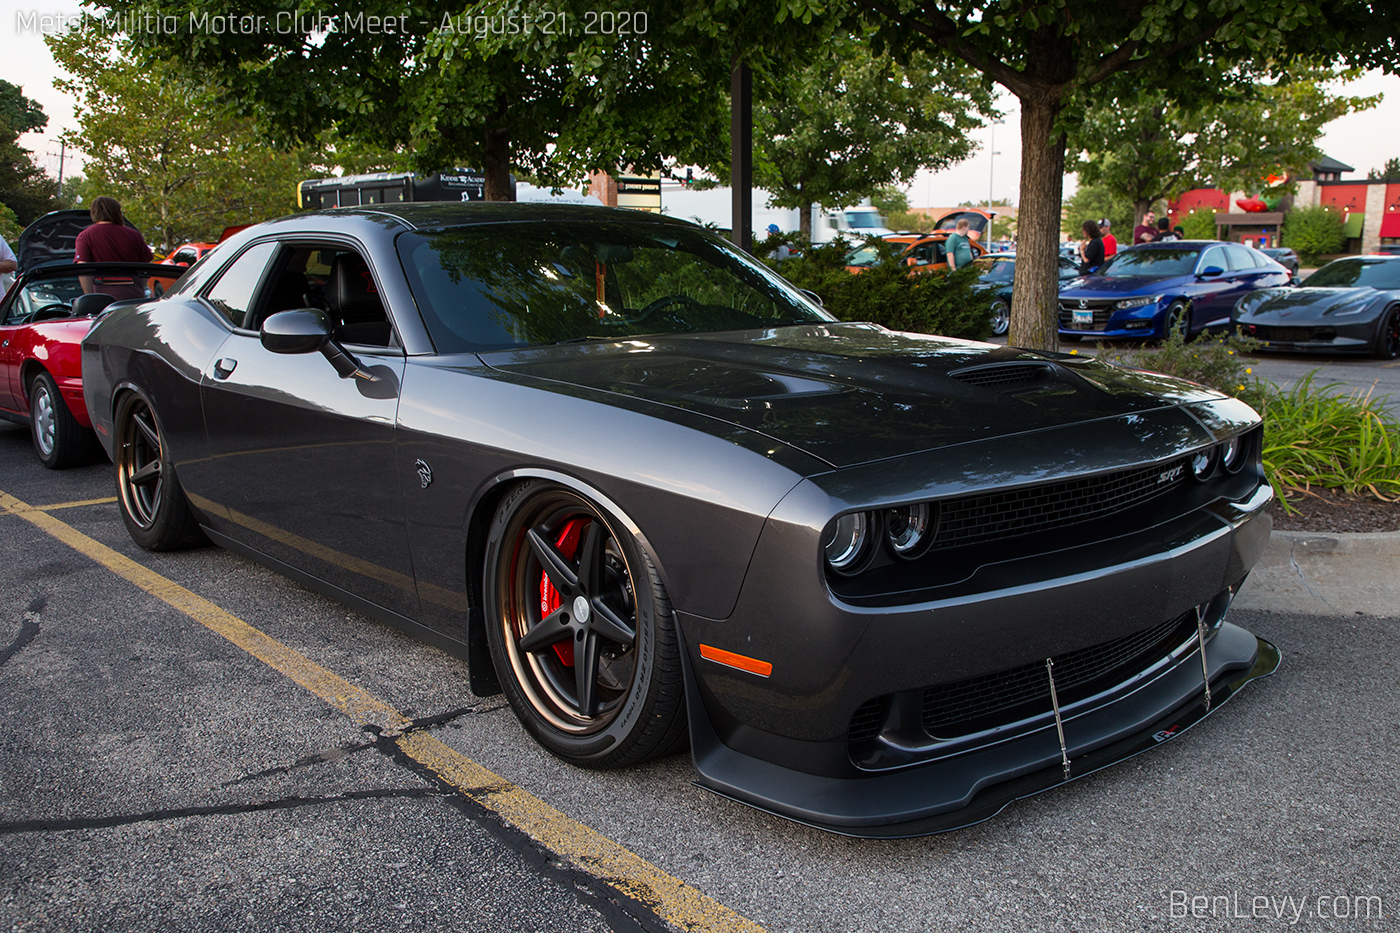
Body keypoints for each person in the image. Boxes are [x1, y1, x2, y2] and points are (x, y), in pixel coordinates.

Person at [75, 196, 152, 299]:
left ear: (94, 212)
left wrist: (90, 298)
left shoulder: (85, 236)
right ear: (117, 212)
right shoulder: (134, 235)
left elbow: (84, 269)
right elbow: (146, 266)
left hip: (103, 300)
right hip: (133, 298)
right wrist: (138, 286)